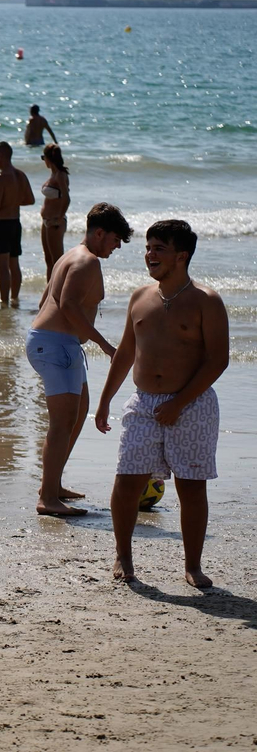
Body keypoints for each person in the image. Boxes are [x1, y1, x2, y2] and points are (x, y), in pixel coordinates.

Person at [95, 219, 228, 587]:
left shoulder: (207, 301)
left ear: (181, 256)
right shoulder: (140, 297)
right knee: (126, 482)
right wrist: (105, 400)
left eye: (159, 248)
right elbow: (125, 352)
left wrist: (180, 403)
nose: (150, 254)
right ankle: (124, 557)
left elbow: (218, 360)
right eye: (149, 247)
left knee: (191, 486)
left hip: (194, 405)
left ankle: (193, 565)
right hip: (143, 404)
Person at [27, 203, 132, 517]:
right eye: (115, 240)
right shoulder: (86, 262)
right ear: (99, 233)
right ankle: (47, 497)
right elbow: (68, 305)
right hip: (57, 345)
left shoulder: (70, 255)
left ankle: (53, 484)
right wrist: (105, 345)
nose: (117, 247)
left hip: (54, 343)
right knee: (61, 424)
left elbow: (45, 298)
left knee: (79, 410)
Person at [0, 141, 37, 306]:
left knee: (2, 266)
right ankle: (15, 298)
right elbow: (30, 200)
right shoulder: (20, 174)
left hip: (1, 224)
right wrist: (13, 201)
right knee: (14, 264)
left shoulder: (0, 178)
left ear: (2, 156)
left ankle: (4, 301)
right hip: (15, 223)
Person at [39, 144, 71, 278]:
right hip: (46, 221)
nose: (43, 161)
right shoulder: (52, 175)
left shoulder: (60, 175)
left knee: (57, 261)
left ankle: (58, 293)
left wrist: (59, 217)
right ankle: (49, 292)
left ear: (48, 158)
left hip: (55, 222)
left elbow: (67, 198)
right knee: (48, 261)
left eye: (43, 157)